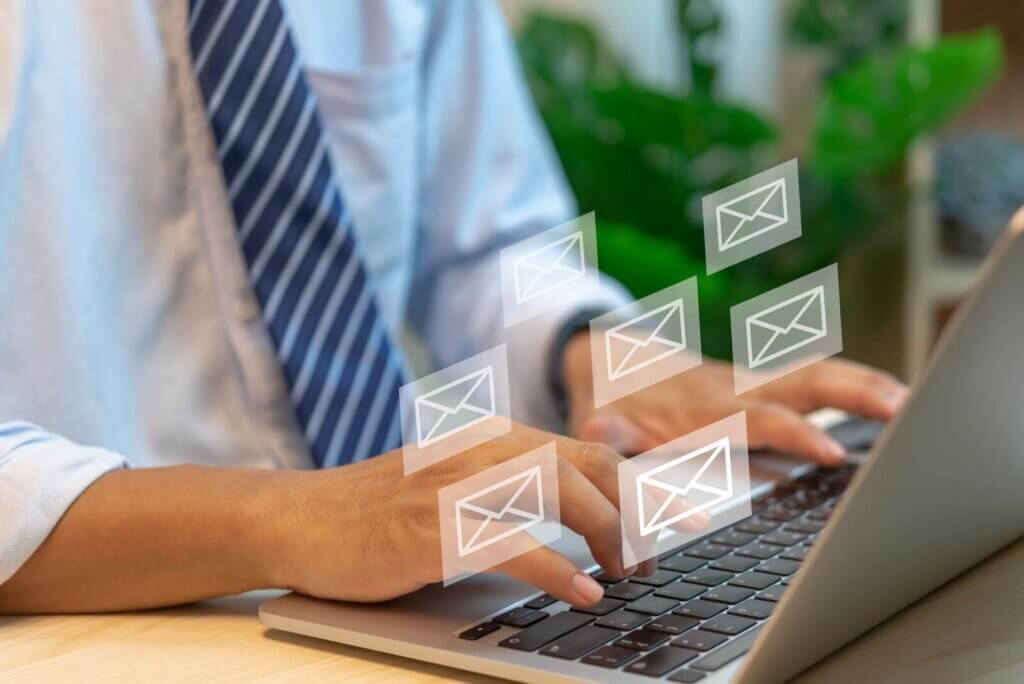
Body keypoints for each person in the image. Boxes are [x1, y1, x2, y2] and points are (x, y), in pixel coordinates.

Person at [0, 0, 906, 615]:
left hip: (407, 594)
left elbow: (480, 243)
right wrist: (293, 518)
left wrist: (608, 362)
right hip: (111, 622)